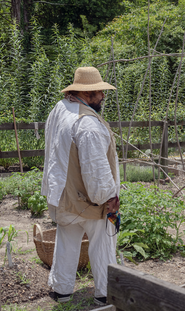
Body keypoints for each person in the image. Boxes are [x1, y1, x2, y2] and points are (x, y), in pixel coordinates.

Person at [41, 67, 121, 306]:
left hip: (63, 193)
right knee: (103, 244)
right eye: (100, 93)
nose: (103, 97)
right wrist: (108, 199)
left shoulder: (60, 109)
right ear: (88, 93)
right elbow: (95, 170)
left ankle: (61, 290)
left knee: (66, 241)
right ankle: (105, 294)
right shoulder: (88, 124)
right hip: (89, 200)